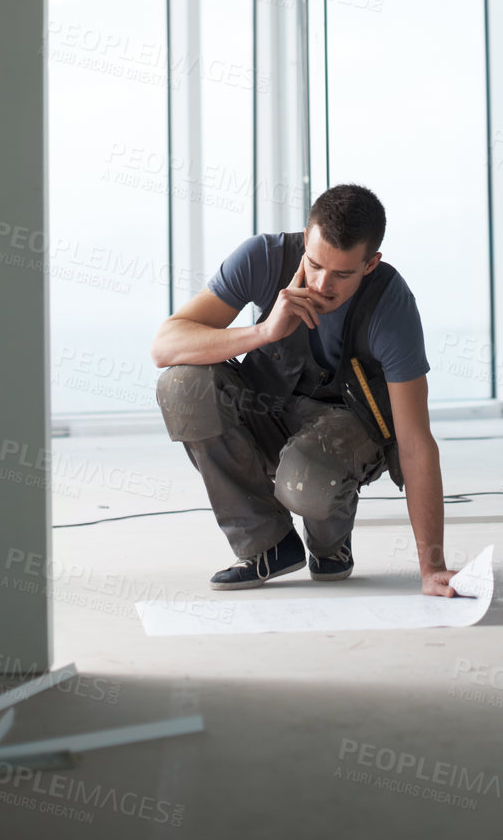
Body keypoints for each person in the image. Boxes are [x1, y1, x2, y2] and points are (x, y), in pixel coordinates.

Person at [151, 183, 456, 596]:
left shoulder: (391, 304)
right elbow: (165, 346)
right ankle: (268, 545)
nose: (322, 284)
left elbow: (416, 443)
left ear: (370, 264)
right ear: (306, 239)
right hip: (269, 406)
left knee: (307, 479)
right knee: (182, 383)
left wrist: (431, 568)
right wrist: (262, 331)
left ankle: (331, 544)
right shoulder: (262, 256)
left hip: (347, 427)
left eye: (342, 273)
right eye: (314, 264)